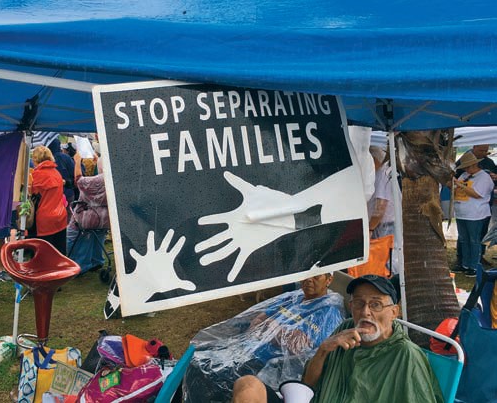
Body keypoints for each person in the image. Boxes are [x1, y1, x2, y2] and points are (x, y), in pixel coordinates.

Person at [232, 275, 443, 403]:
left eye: (376, 304)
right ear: (351, 307)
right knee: (247, 385)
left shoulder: (406, 355)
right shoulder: (346, 328)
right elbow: (308, 384)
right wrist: (324, 349)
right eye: (359, 303)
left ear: (394, 312)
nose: (366, 312)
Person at [185, 273, 345, 403]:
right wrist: (279, 332)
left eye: (316, 276)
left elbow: (299, 347)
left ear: (329, 280)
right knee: (196, 359)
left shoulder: (329, 312)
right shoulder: (294, 297)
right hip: (246, 349)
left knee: (205, 370)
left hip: (269, 365)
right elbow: (257, 321)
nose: (309, 280)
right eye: (307, 275)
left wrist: (272, 328)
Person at [453, 144, 497, 271]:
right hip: (462, 213)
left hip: (476, 215)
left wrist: (459, 185)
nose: (466, 169)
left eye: (467, 167)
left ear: (474, 165)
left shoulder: (484, 177)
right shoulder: (464, 175)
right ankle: (465, 264)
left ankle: (474, 266)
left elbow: (477, 194)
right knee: (464, 240)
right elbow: (456, 189)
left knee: (474, 240)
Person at [66, 152, 109, 273]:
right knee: (98, 235)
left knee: (73, 235)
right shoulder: (113, 178)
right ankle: (96, 261)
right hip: (105, 217)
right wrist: (98, 160)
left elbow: (79, 180)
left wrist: (77, 162)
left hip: (87, 216)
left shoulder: (97, 181)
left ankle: (79, 265)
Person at [29, 145, 68, 254]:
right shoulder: (56, 172)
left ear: (35, 159)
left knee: (43, 253)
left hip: (44, 219)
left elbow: (29, 193)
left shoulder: (37, 175)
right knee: (59, 252)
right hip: (60, 215)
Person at [367, 146, 400, 239]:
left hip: (382, 226)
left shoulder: (382, 174)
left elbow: (380, 208)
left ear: (373, 160)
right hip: (383, 225)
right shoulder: (384, 172)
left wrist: (370, 228)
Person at [47, 138, 76, 207]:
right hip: (68, 193)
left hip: (52, 195)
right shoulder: (66, 157)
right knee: (68, 212)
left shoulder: (46, 159)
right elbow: (74, 173)